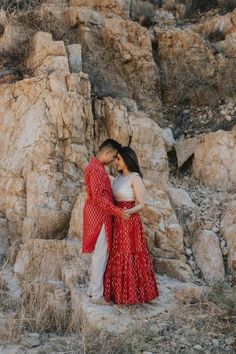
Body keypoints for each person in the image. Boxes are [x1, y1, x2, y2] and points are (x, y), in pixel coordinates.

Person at [104, 146, 159, 305]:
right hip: (116, 219)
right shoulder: (118, 178)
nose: (116, 162)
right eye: (115, 159)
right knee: (116, 253)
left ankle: (132, 296)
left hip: (129, 221)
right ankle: (117, 293)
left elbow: (141, 204)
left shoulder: (135, 177)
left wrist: (126, 212)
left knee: (128, 253)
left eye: (118, 159)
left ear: (127, 160)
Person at [82, 139, 129, 305]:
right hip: (99, 216)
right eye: (113, 156)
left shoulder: (95, 166)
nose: (113, 160)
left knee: (99, 253)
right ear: (108, 153)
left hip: (97, 214)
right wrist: (118, 211)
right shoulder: (96, 169)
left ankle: (91, 290)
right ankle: (96, 295)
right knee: (101, 254)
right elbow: (99, 198)